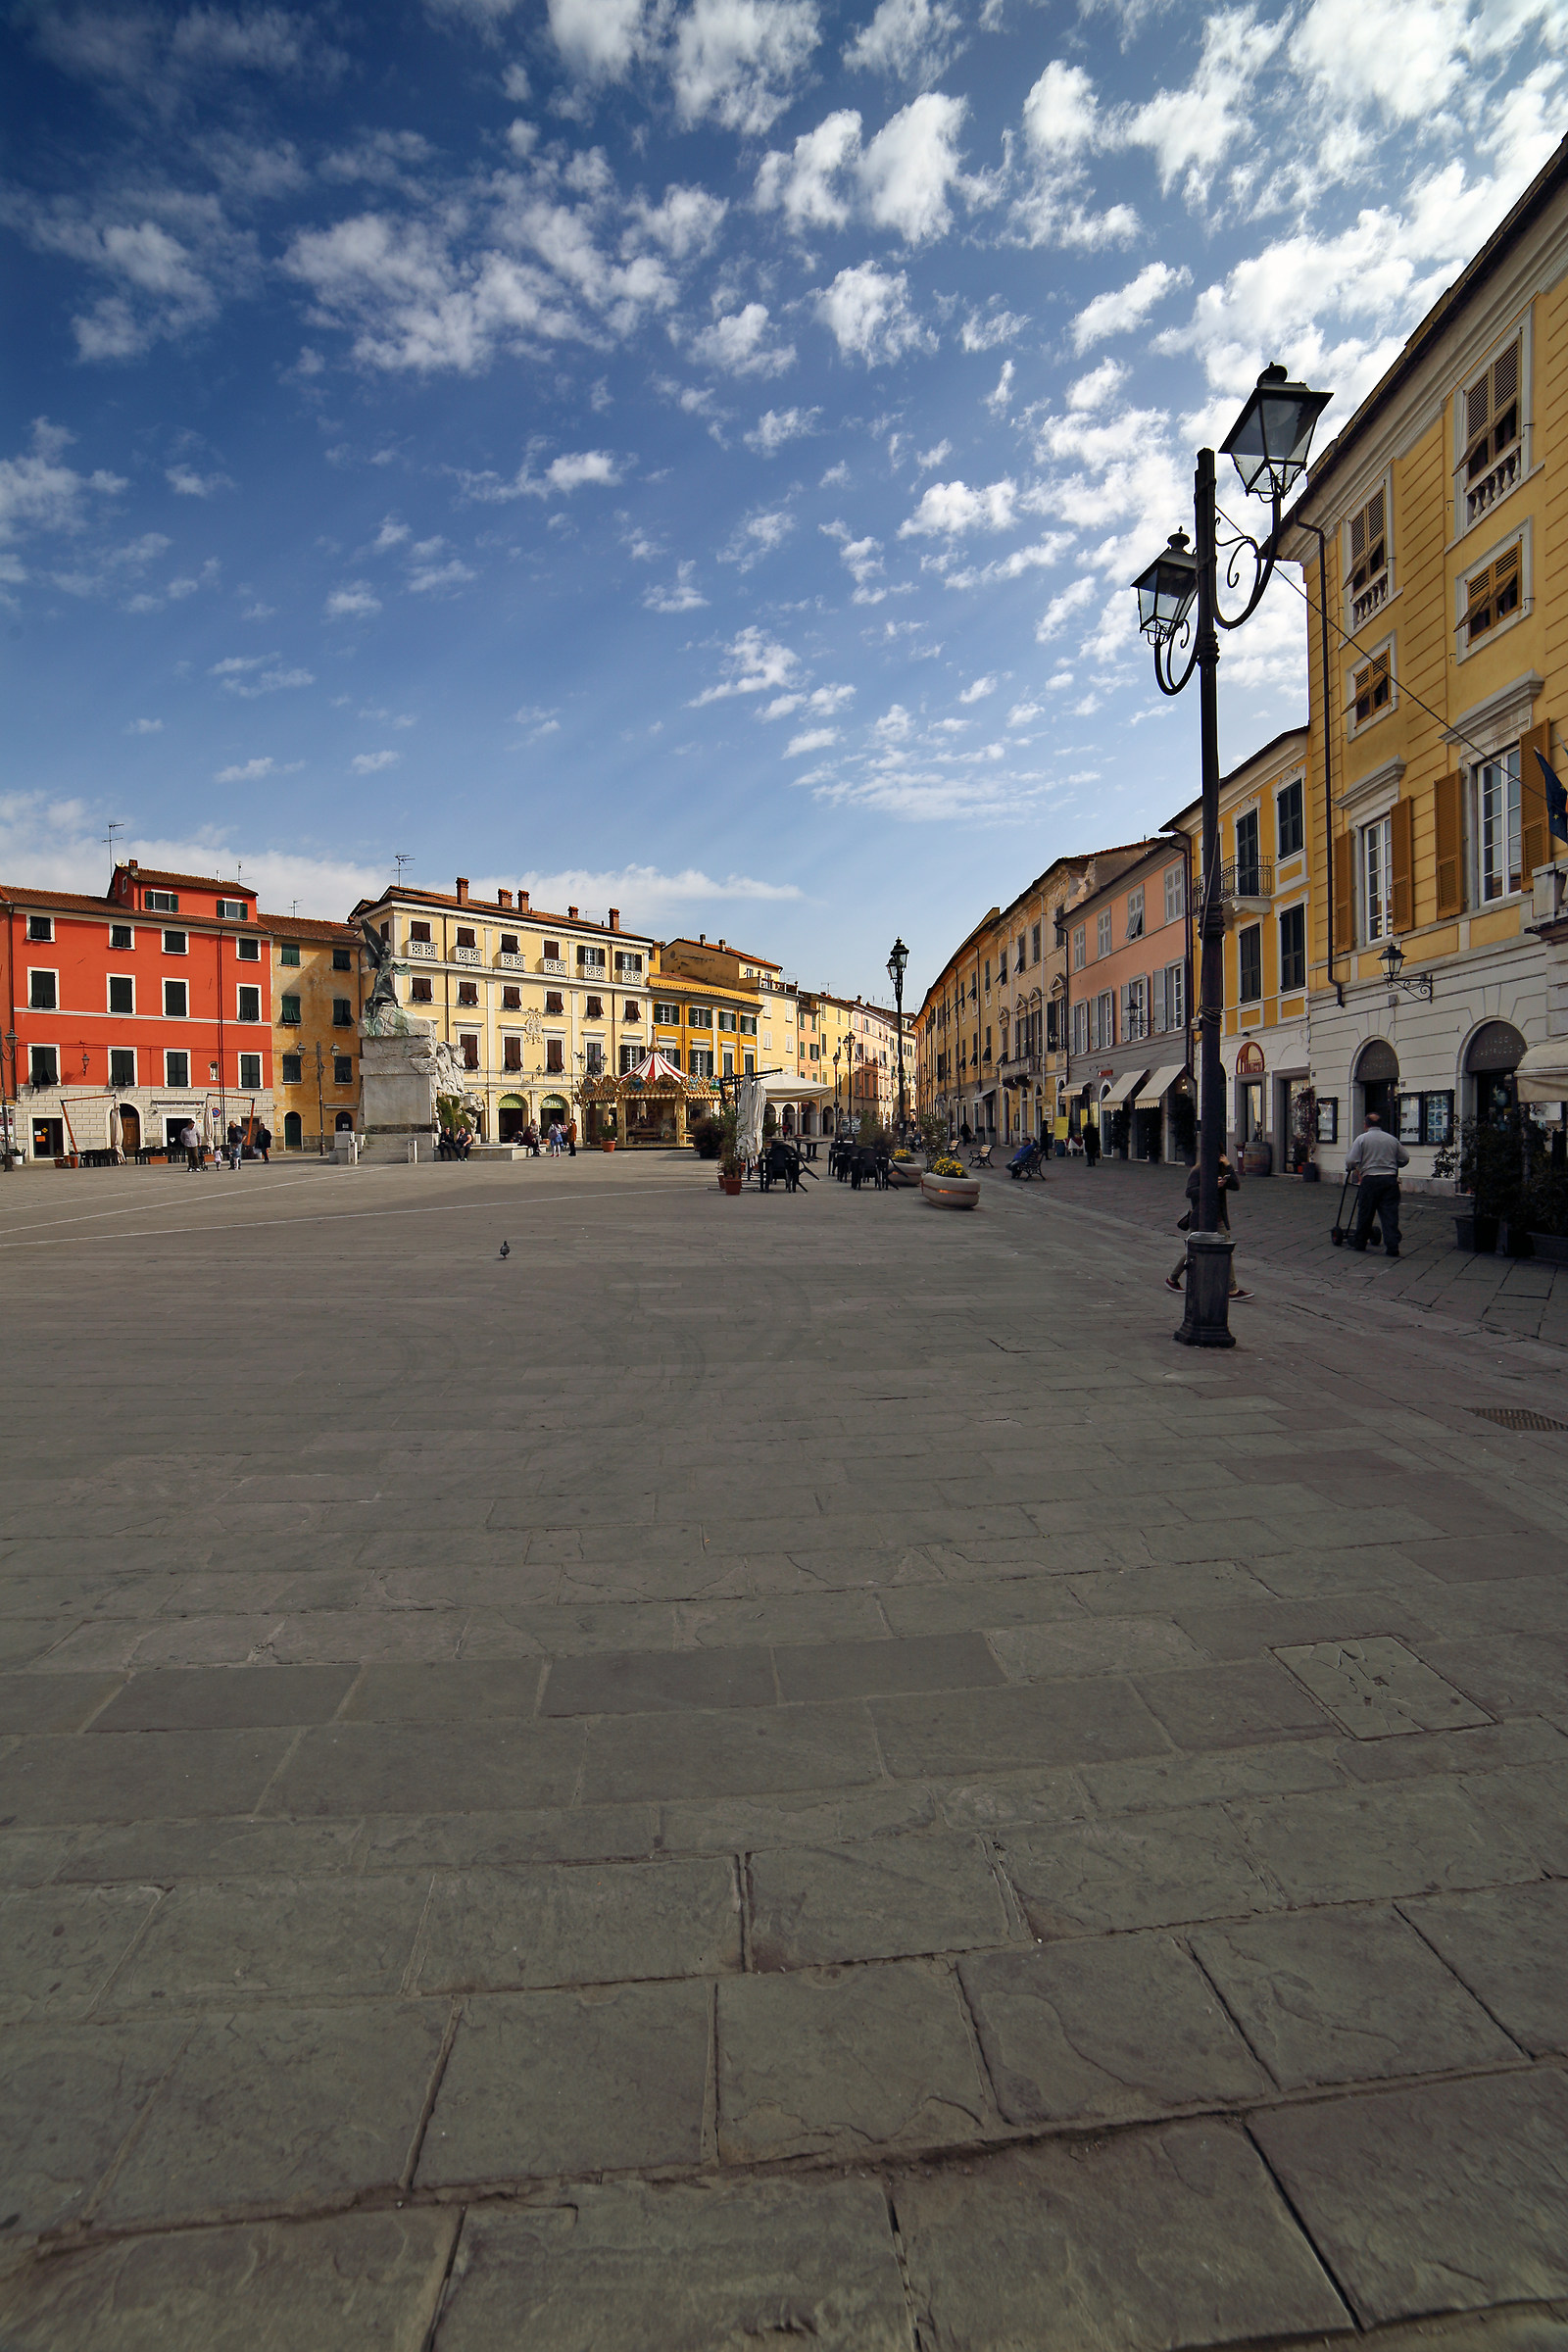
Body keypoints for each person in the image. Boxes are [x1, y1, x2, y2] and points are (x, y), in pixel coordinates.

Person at [1166, 1154, 1249, 1297]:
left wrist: (1228, 1166)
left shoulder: (1222, 1170)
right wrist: (1210, 1186)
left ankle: (1231, 1288)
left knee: (1226, 1250)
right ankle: (1172, 1278)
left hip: (1218, 1217)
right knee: (1194, 1251)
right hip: (1201, 1217)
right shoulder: (1198, 1171)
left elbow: (1236, 1186)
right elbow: (1189, 1192)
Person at [1346, 1109, 1407, 1256]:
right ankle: (1392, 1245)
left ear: (1366, 1124)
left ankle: (1360, 1241)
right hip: (1389, 1179)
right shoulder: (1392, 1139)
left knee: (1366, 1212)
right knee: (1390, 1213)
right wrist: (1394, 1165)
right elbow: (1404, 1158)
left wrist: (1351, 1168)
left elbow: (1351, 1160)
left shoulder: (1362, 1139)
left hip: (1370, 1179)